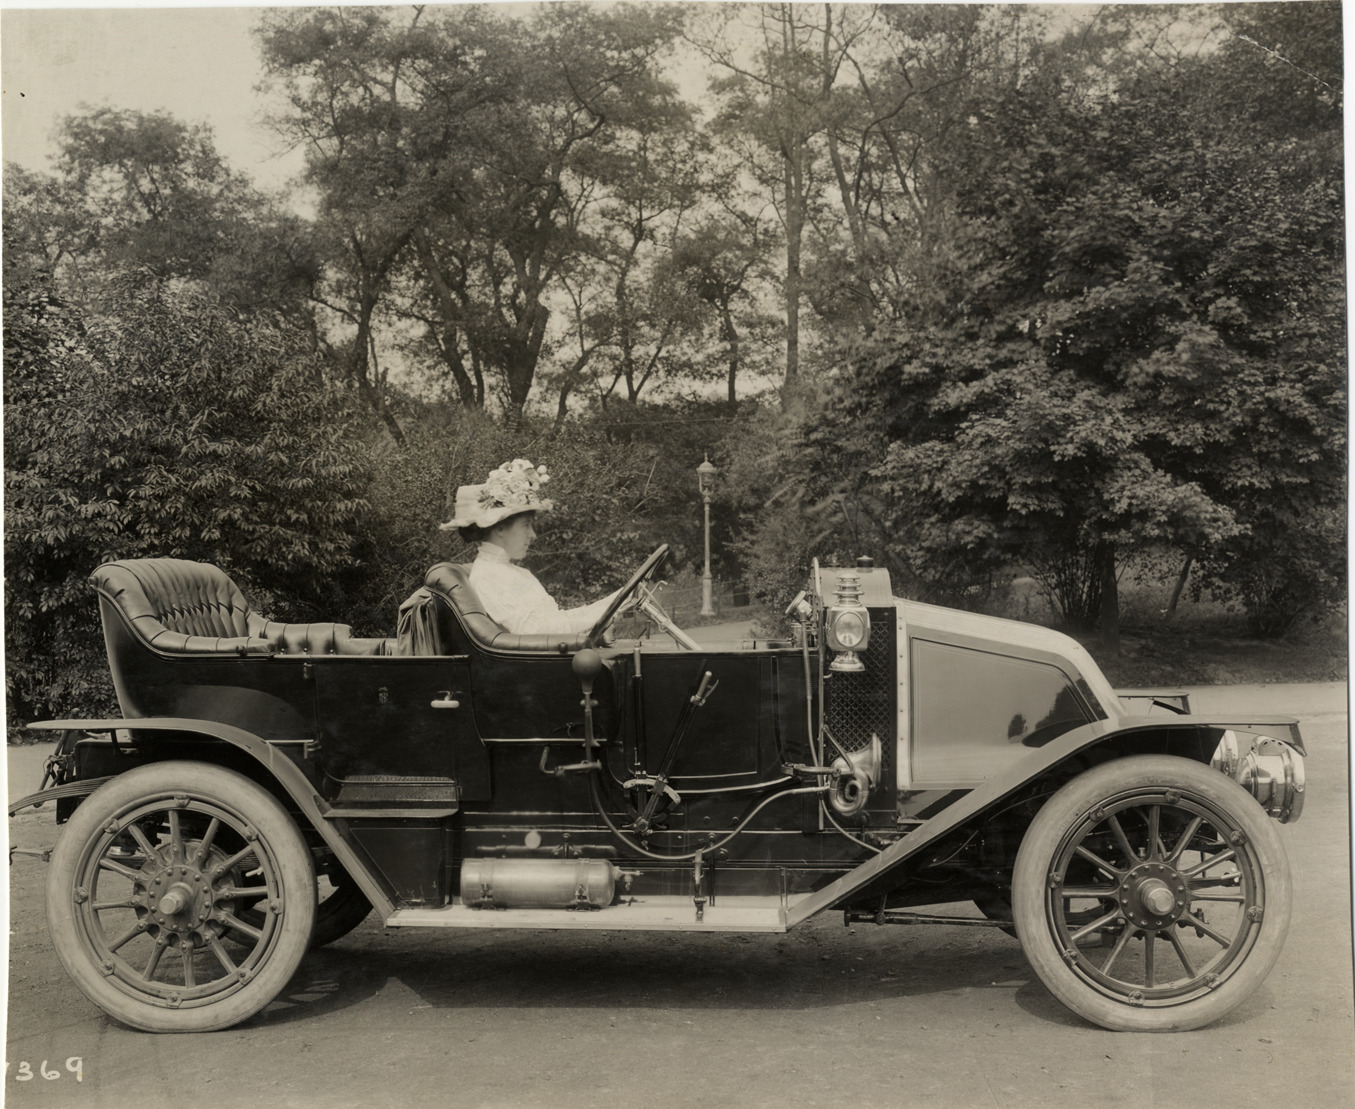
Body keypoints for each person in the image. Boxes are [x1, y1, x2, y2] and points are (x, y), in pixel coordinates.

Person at [439, 459, 626, 636]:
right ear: (500, 528)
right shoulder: (486, 576)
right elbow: (534, 631)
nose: (533, 534)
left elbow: (555, 621)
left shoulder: (515, 573)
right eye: (526, 525)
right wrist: (605, 610)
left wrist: (616, 601)